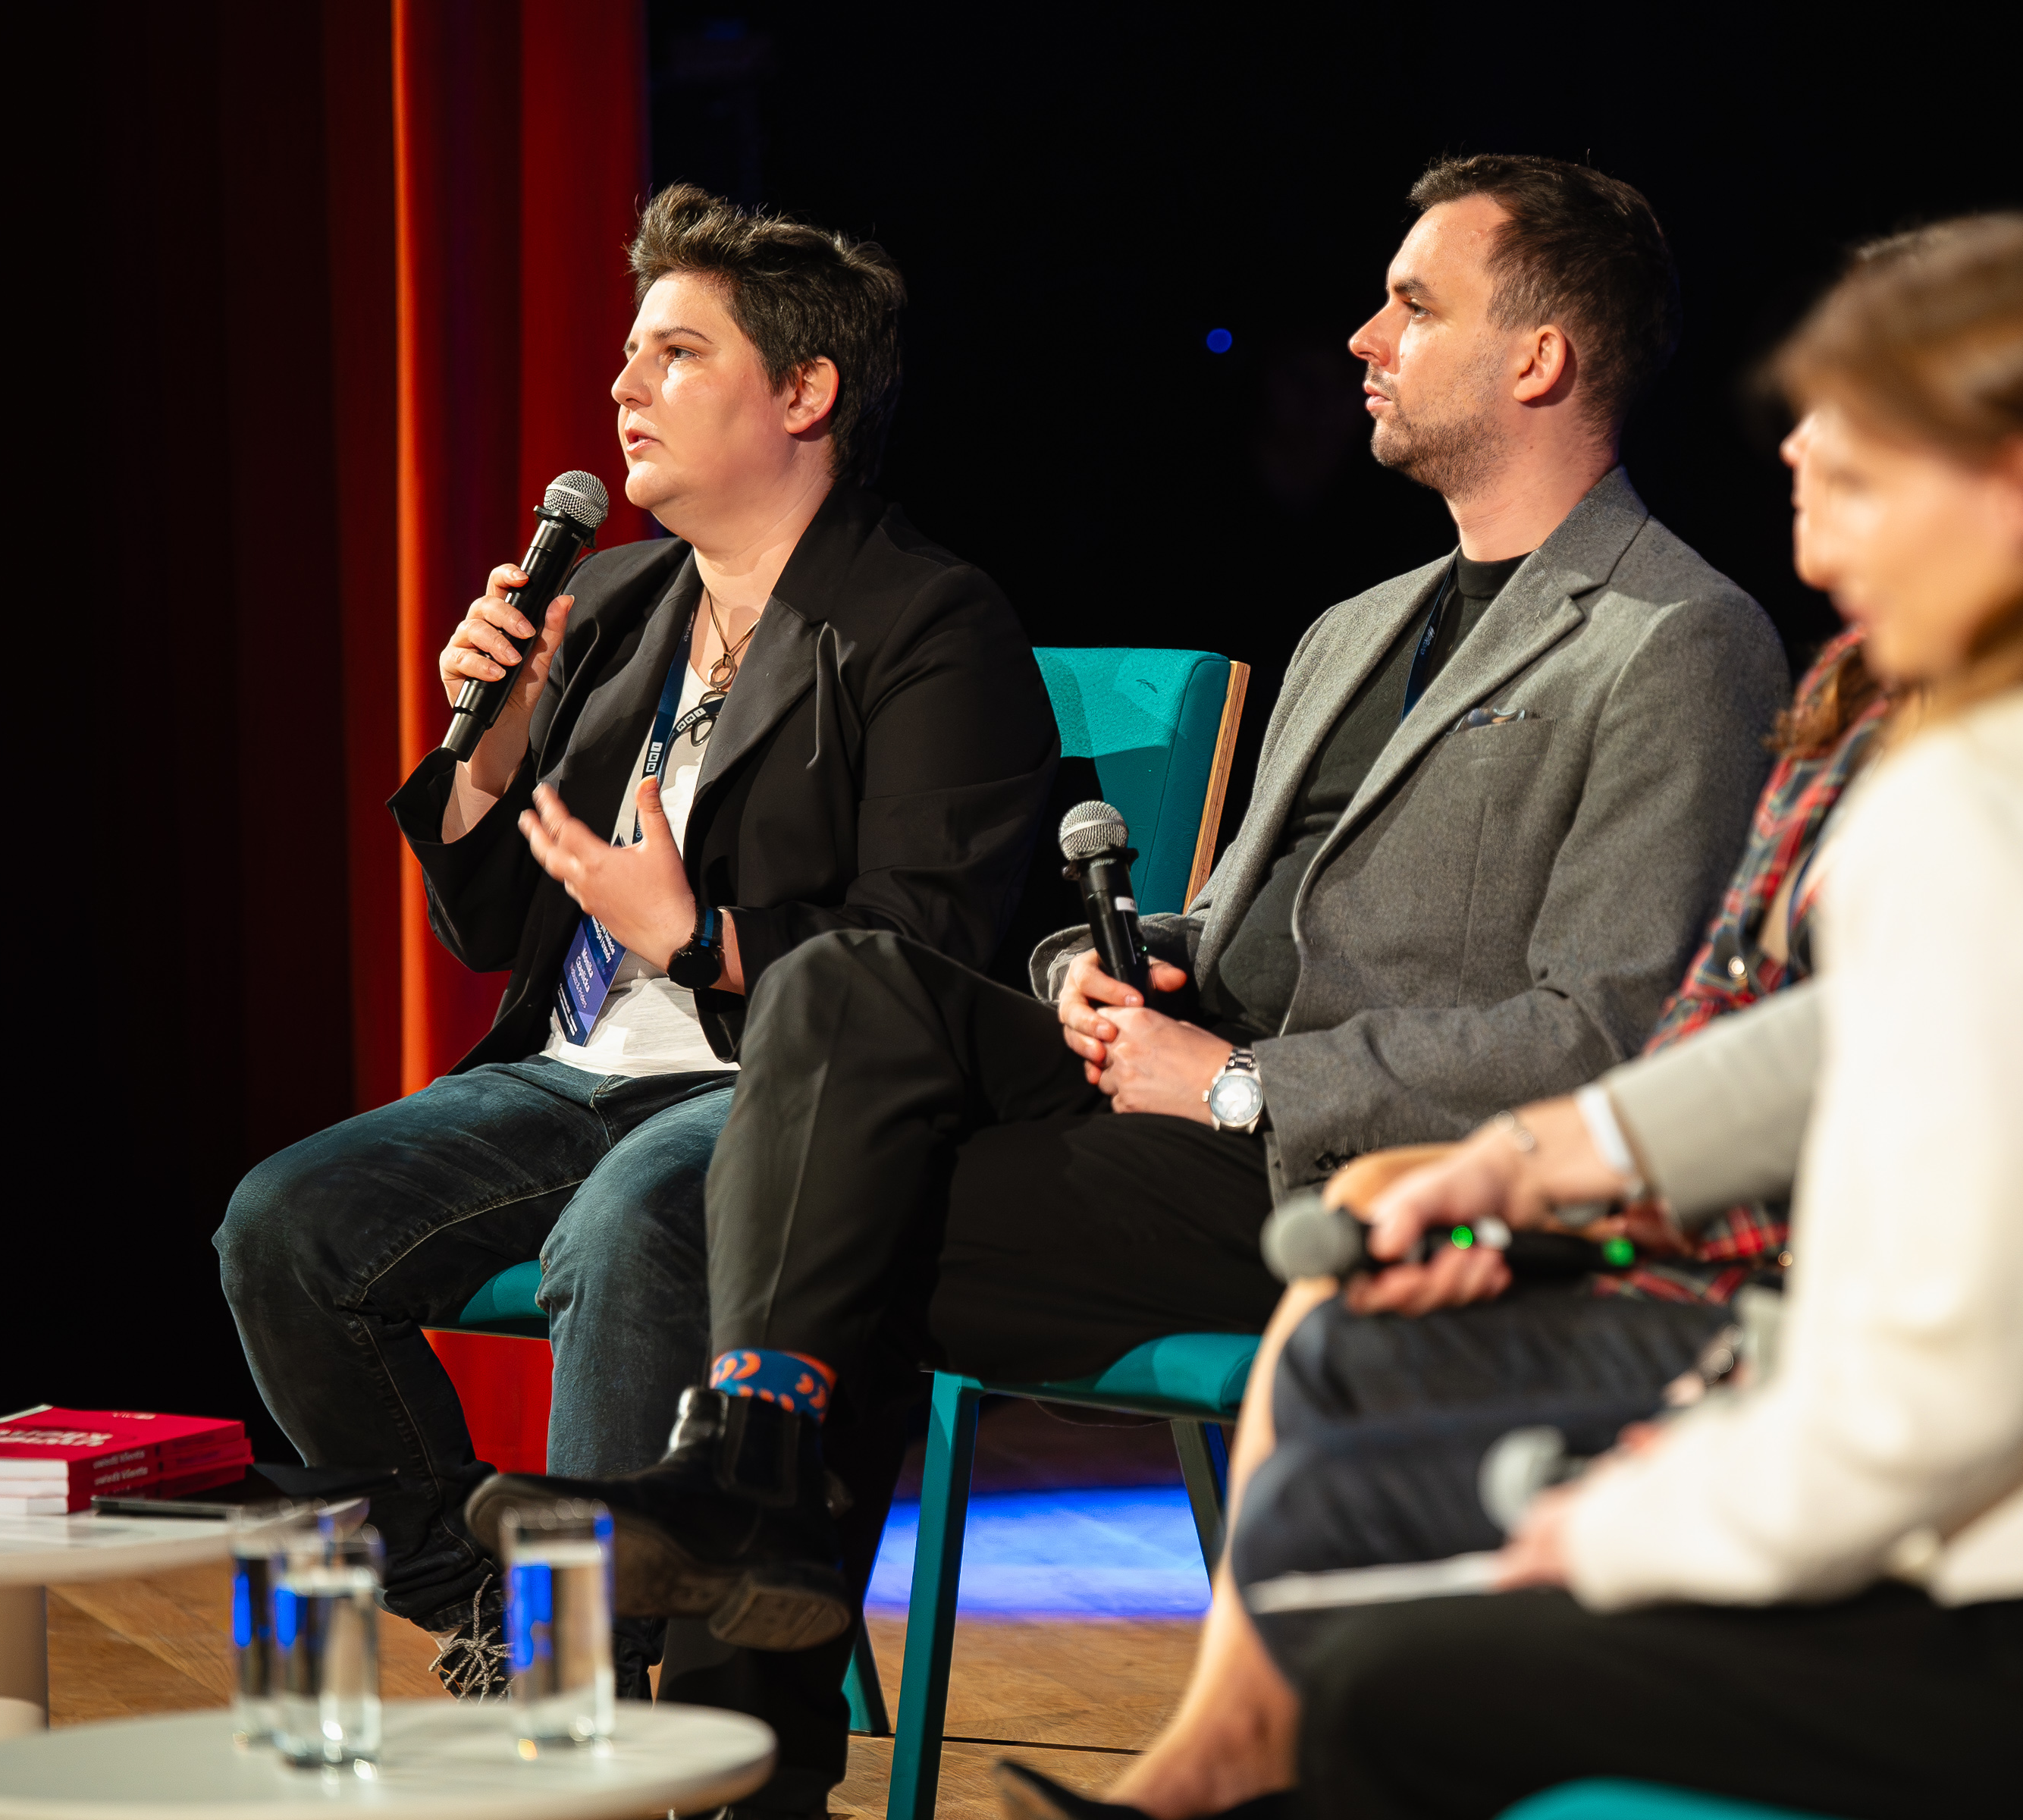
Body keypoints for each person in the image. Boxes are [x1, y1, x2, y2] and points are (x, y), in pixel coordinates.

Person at [469, 153, 1790, 1815]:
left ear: (1539, 358)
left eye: (1414, 304)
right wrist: (1109, 969)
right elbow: (1223, 930)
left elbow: (1604, 1037)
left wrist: (1234, 1081)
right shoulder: (1359, 624)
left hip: (1360, 1178)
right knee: (847, 988)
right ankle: (757, 1491)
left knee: (778, 1221)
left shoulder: (1675, 636)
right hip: (1181, 1105)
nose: (1365, 337)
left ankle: (752, 1704)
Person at [1276, 214, 2023, 1820]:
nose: (1801, 453)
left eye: (1866, 444)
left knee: (1389, 1680)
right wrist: (1547, 1164)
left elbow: (1940, 1398)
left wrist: (1620, 1531)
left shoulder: (1986, 794)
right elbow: (1881, 1056)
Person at [996, 401, 1901, 1820]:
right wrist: (1516, 1174)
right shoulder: (1861, 702)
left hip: (1759, 1303)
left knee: (829, 1178)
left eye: (1872, 413)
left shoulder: (1700, 640)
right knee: (845, 1044)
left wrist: (1263, 1094)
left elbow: (1630, 1037)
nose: (1797, 443)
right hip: (1562, 1207)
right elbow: (1772, 1047)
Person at [213, 184, 1059, 1693]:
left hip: (770, 1101)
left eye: (676, 354)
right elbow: (490, 928)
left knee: (623, 1228)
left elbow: (919, 959)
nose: (623, 388)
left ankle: (594, 1680)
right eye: (629, 354)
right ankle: (498, 1607)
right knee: (284, 1225)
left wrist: (701, 937)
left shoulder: (927, 624)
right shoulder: (612, 601)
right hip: (569, 1077)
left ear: (805, 393)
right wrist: (492, 750)